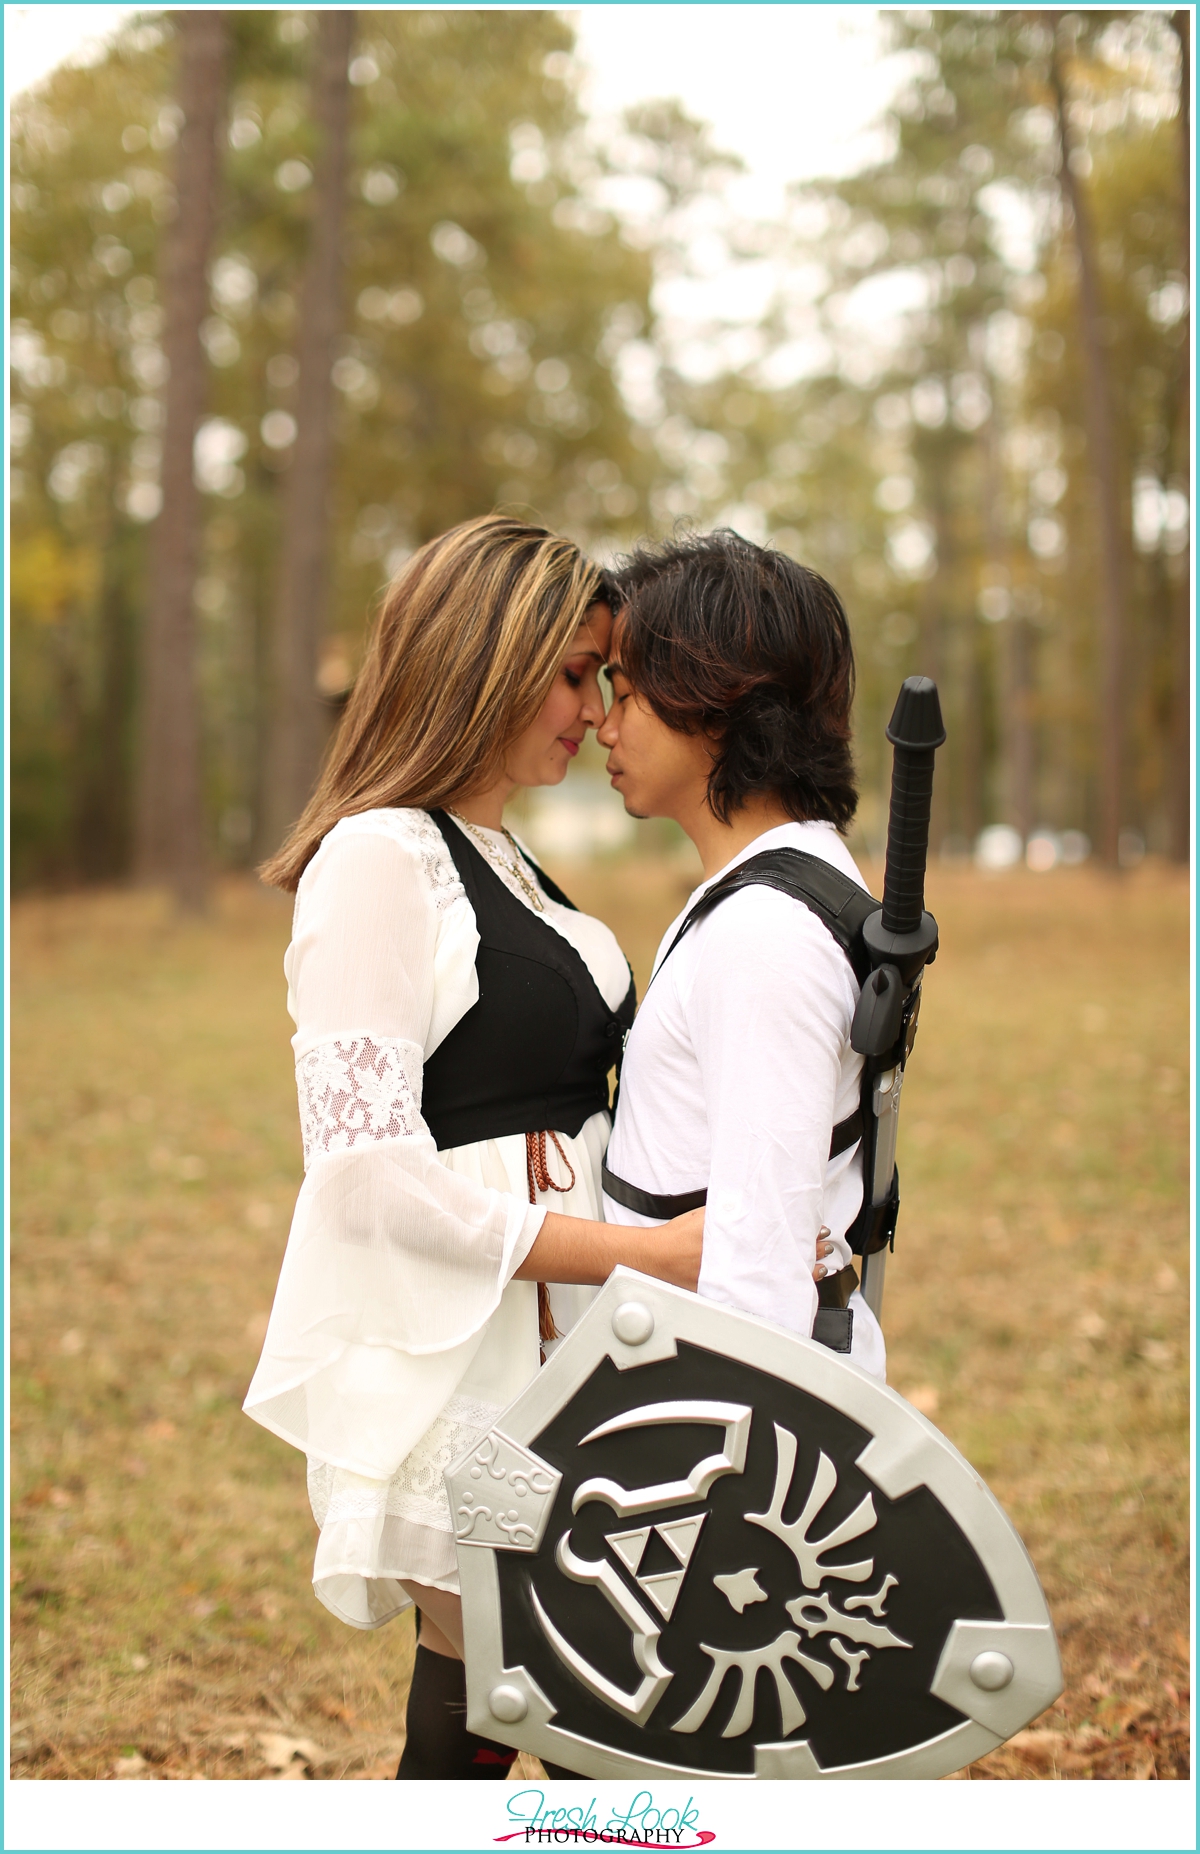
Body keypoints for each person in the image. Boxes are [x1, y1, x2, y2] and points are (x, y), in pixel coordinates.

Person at [243, 515, 703, 1780]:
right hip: (468, 1361)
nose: (598, 709)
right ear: (485, 660)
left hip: (559, 1353)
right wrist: (649, 1252)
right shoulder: (380, 860)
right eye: (574, 673)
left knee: (478, 1712)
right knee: (601, 1733)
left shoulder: (505, 859)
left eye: (605, 678)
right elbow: (366, 1179)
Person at [597, 529, 886, 1380]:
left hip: (722, 1432)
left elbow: (759, 1266)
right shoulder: (775, 890)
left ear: (712, 698)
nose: (602, 726)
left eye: (626, 691)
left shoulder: (765, 930)